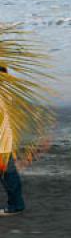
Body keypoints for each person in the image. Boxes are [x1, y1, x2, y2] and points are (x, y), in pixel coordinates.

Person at [0, 66, 25, 216]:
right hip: (5, 141)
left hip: (2, 144)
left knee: (8, 175)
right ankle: (16, 203)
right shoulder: (8, 93)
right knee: (8, 174)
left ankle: (16, 204)